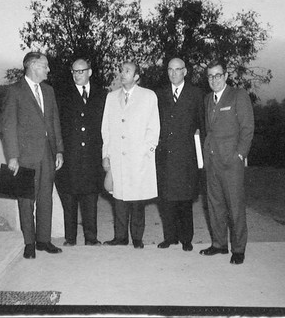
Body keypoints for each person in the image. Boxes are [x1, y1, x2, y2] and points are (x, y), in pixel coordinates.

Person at [1, 51, 64, 259]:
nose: (48, 69)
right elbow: (8, 126)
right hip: (25, 155)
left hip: (47, 153)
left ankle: (43, 240)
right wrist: (12, 157)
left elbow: (55, 122)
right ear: (33, 66)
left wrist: (59, 151)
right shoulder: (14, 91)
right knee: (26, 199)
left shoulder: (49, 91)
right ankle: (29, 242)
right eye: (45, 65)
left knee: (46, 197)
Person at [101, 61, 160, 249]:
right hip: (117, 157)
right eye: (122, 70)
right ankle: (120, 237)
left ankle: (137, 238)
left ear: (136, 77)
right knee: (118, 198)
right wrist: (106, 155)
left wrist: (147, 152)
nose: (123, 73)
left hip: (139, 158)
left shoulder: (148, 96)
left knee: (137, 200)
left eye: (128, 71)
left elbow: (154, 128)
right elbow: (106, 130)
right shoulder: (111, 97)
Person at [200, 59, 254, 264]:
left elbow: (247, 128)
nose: (214, 79)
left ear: (226, 76)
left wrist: (240, 155)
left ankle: (238, 249)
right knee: (215, 204)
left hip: (232, 162)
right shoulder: (207, 99)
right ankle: (219, 244)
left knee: (235, 206)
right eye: (210, 76)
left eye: (218, 75)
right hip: (212, 160)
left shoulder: (238, 96)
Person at [55, 58, 107, 247]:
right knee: (69, 199)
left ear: (90, 72)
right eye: (75, 71)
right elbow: (57, 126)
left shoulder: (102, 95)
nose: (77, 75)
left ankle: (91, 238)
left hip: (92, 158)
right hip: (70, 157)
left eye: (81, 71)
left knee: (90, 198)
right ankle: (70, 239)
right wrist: (59, 151)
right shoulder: (62, 95)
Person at [155, 57, 204, 252]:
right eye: (170, 70)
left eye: (178, 69)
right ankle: (169, 237)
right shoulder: (159, 94)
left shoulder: (196, 94)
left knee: (184, 200)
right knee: (166, 200)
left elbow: (202, 125)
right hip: (164, 156)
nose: (174, 73)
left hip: (186, 156)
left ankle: (186, 239)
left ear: (185, 71)